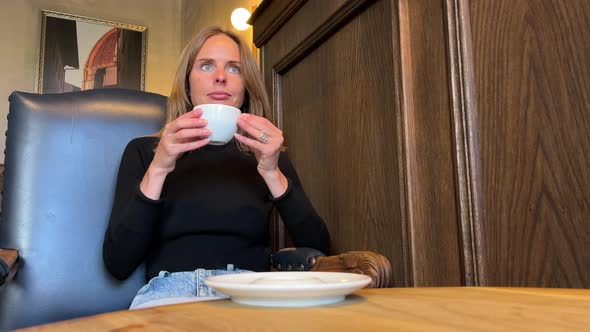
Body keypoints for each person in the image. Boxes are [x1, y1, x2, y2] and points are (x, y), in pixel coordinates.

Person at [102, 26, 330, 309]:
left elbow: (320, 249)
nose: (220, 76)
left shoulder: (267, 155)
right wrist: (159, 167)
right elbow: (118, 263)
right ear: (187, 83)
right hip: (167, 295)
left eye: (234, 68)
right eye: (207, 65)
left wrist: (272, 172)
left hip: (250, 296)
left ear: (246, 85)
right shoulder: (144, 151)